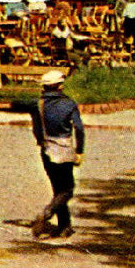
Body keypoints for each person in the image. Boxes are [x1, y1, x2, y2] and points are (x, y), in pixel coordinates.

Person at [29, 69, 85, 238]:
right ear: (59, 86)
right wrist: (80, 151)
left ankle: (64, 226)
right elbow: (79, 129)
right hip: (64, 149)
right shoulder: (69, 104)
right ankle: (48, 212)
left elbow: (37, 129)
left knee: (58, 189)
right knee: (67, 190)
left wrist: (41, 141)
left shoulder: (38, 104)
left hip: (47, 150)